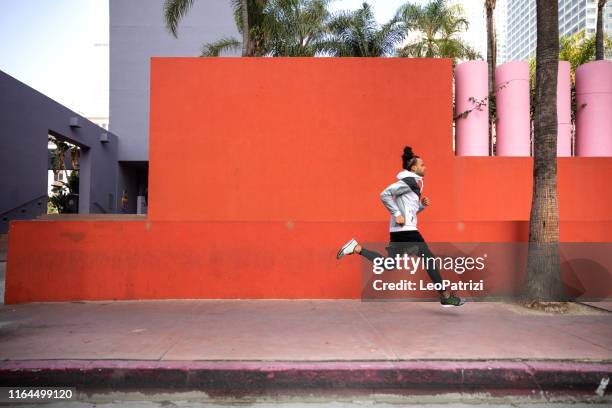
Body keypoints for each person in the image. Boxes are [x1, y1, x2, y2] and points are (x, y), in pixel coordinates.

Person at [336, 146, 465, 307]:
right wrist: (396, 213)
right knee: (429, 259)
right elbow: (384, 194)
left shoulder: (412, 182)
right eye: (422, 165)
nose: (425, 167)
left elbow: (409, 212)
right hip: (407, 232)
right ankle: (445, 295)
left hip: (400, 231)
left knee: (389, 265)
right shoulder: (411, 181)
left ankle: (357, 248)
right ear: (413, 167)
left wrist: (421, 206)